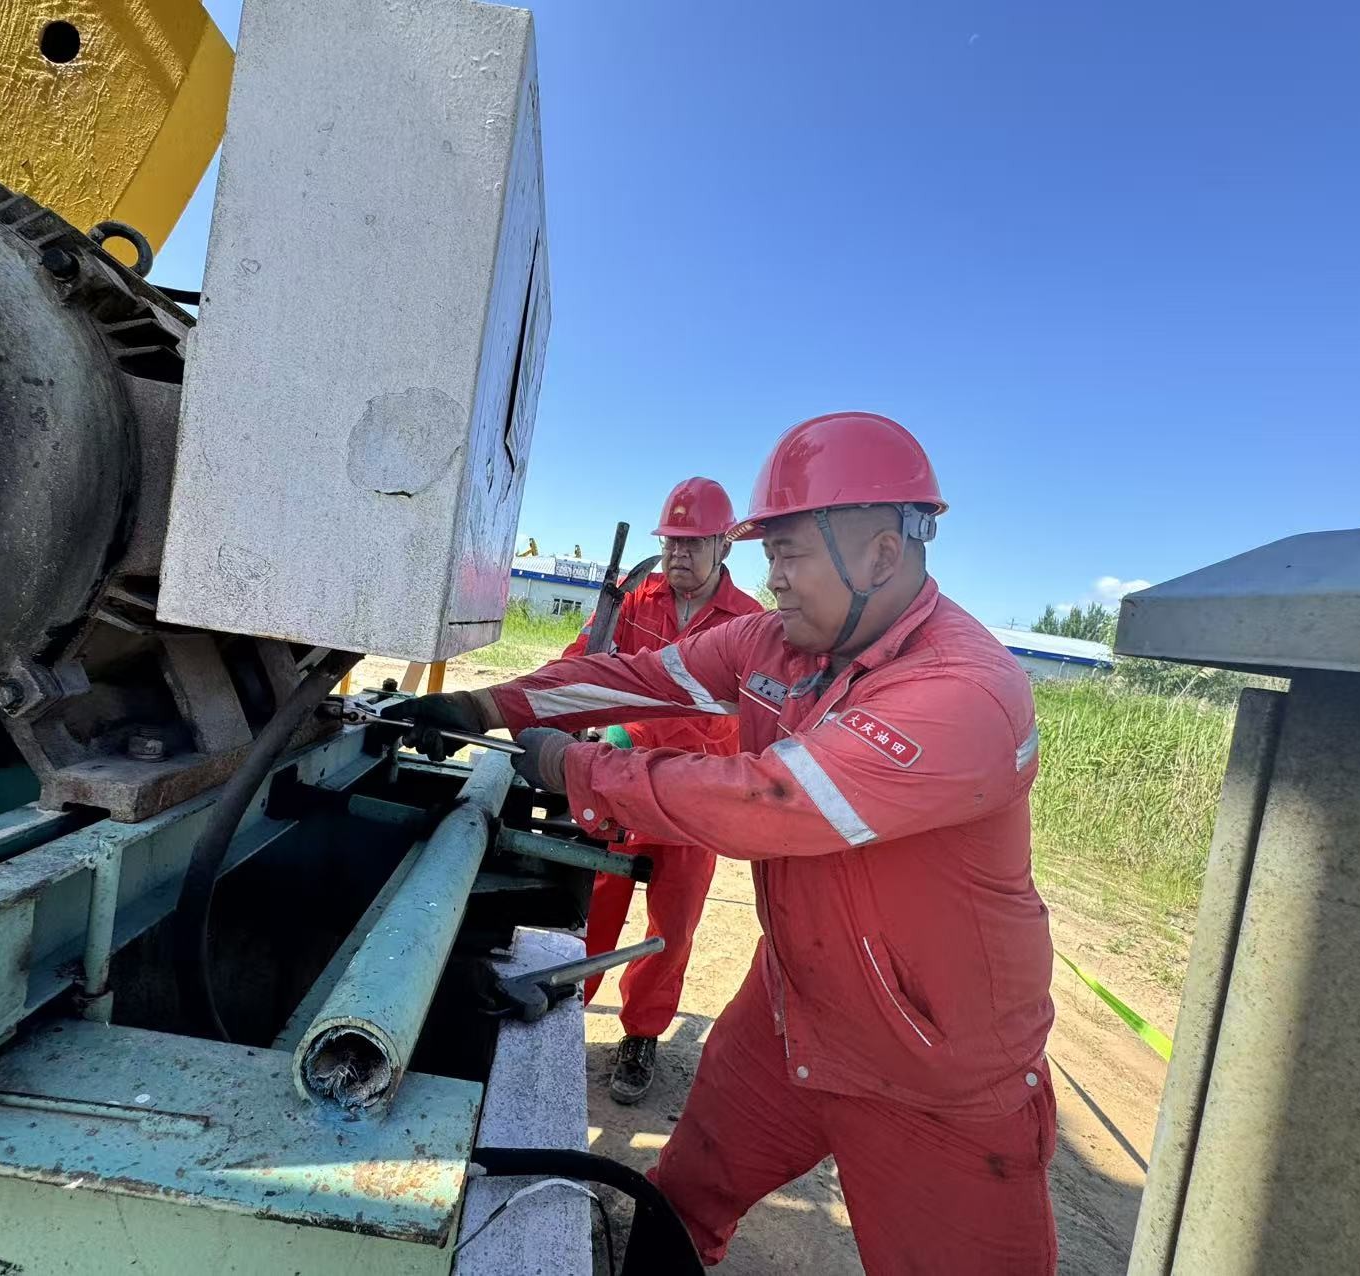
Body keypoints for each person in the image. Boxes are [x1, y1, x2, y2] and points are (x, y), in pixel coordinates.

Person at [386, 412, 1058, 1274]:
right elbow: (637, 676)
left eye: (791, 555)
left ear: (882, 555)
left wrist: (573, 766)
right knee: (678, 1201)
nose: (772, 579)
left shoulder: (964, 692)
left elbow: (772, 803)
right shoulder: (779, 643)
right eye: (768, 554)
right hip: (789, 1012)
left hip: (934, 1074)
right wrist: (489, 706)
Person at [563, 477, 761, 1104]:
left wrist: (634, 730)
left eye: (693, 542)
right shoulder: (631, 602)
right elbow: (584, 660)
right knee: (591, 910)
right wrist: (545, 702)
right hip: (616, 792)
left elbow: (724, 723)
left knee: (671, 929)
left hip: (691, 801)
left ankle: (641, 1034)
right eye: (672, 541)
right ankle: (562, 1021)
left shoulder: (750, 624)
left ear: (724, 545)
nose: (679, 553)